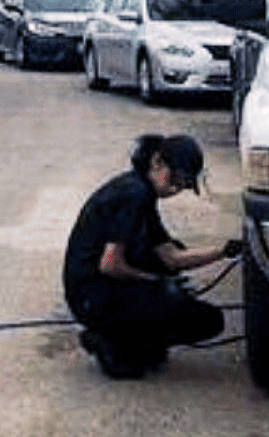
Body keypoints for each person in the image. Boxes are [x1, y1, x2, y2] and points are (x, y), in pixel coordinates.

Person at [62, 133, 240, 379]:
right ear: (157, 163)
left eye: (185, 184)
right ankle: (108, 339)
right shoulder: (133, 195)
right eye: (176, 178)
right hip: (90, 296)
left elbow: (172, 258)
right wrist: (154, 282)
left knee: (180, 289)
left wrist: (224, 251)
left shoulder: (142, 194)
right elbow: (110, 264)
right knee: (201, 320)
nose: (177, 188)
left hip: (95, 291)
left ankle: (139, 342)